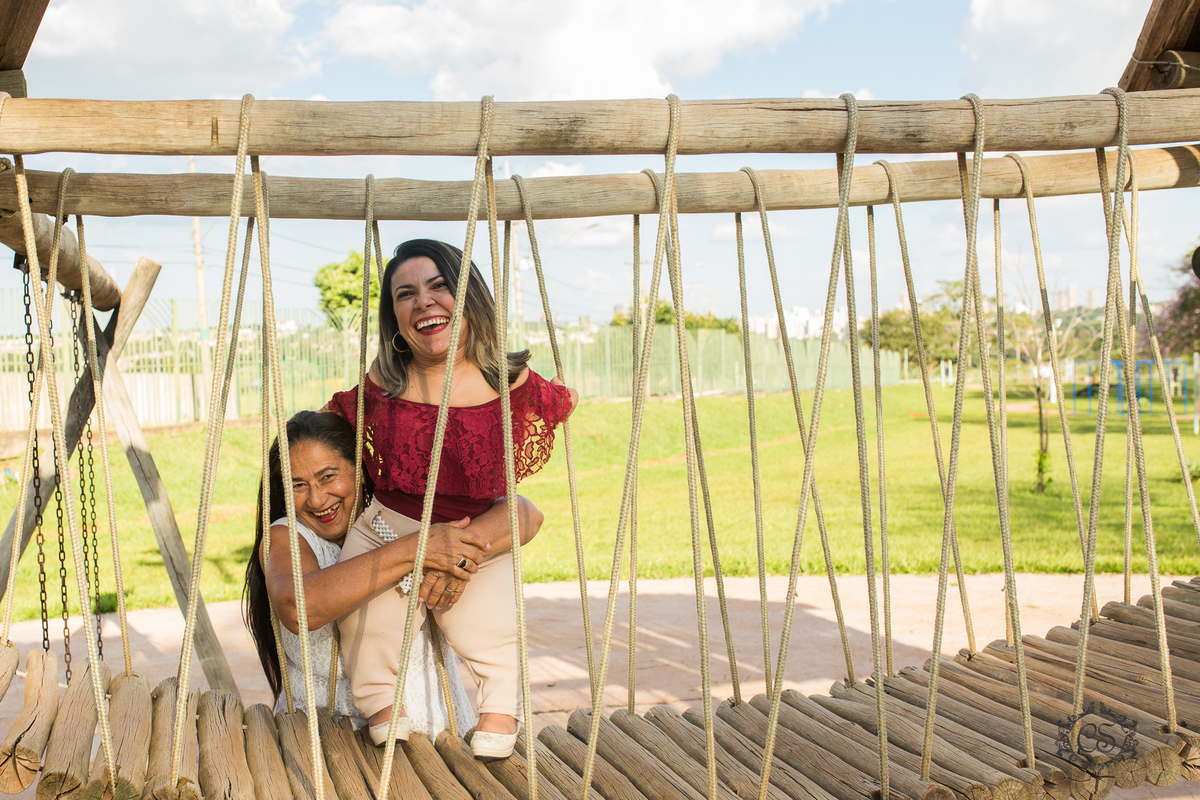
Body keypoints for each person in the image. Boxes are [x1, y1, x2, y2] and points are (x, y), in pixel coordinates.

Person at [328, 238, 577, 759]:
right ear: (394, 318)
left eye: (440, 285)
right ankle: (380, 706)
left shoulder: (509, 385)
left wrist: (457, 553)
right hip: (388, 530)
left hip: (472, 535)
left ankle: (499, 711)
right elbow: (329, 436)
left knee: (493, 624)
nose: (424, 301)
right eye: (406, 294)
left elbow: (526, 492)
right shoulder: (381, 385)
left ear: (472, 299)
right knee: (364, 623)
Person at [243, 409, 544, 736]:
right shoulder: (286, 536)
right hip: (328, 740)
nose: (317, 499)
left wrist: (450, 554)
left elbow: (527, 514)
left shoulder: (402, 516)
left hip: (436, 731)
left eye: (328, 476)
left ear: (359, 470)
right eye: (297, 485)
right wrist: (418, 548)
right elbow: (299, 607)